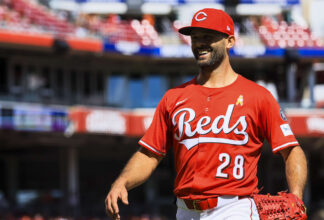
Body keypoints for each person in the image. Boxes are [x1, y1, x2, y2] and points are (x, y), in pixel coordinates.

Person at [105, 8, 308, 220]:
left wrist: (296, 196)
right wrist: (122, 182)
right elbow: (149, 154)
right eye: (195, 37)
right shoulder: (174, 97)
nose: (200, 43)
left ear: (229, 41)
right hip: (184, 211)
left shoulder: (258, 96)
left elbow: (291, 150)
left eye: (208, 37)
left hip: (234, 208)